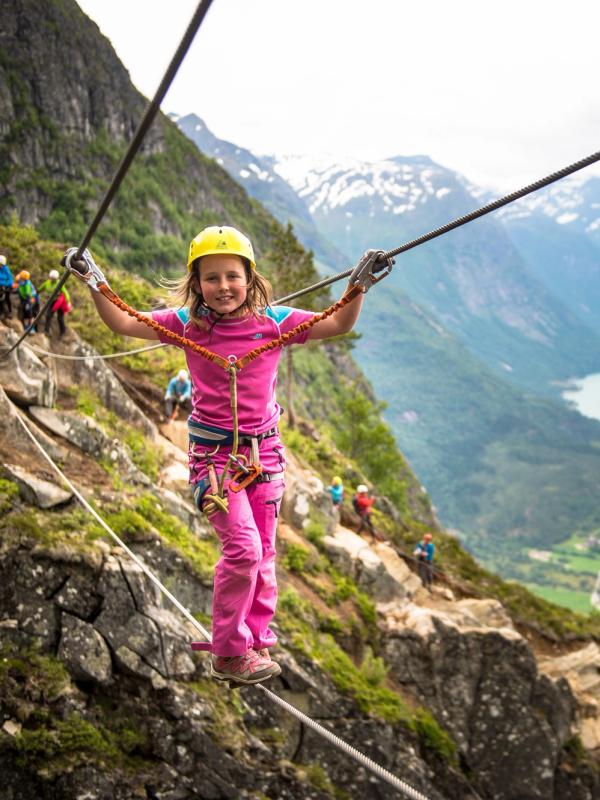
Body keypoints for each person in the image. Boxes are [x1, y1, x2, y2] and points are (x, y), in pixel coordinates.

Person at [63, 225, 391, 686]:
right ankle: (230, 651)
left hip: (266, 455)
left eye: (231, 276)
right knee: (243, 549)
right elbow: (123, 321)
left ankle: (254, 638)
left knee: (266, 554)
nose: (223, 287)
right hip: (214, 460)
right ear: (197, 284)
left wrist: (357, 288)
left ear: (249, 277)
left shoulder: (275, 322)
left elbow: (337, 323)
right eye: (211, 278)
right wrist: (94, 282)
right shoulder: (186, 326)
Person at [38, 269, 72, 337]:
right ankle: (46, 330)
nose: (52, 279)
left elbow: (65, 293)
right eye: (51, 278)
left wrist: (68, 302)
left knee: (60, 318)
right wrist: (36, 292)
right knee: (48, 315)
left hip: (58, 302)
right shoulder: (48, 282)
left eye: (53, 278)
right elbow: (41, 288)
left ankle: (63, 332)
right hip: (51, 301)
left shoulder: (59, 283)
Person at [0, 255, 14, 320]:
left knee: (7, 298)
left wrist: (5, 284)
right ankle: (1, 313)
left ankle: (10, 312)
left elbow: (10, 280)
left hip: (5, 287)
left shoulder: (6, 269)